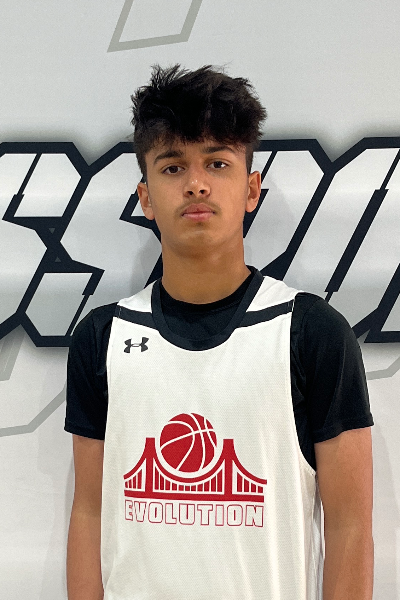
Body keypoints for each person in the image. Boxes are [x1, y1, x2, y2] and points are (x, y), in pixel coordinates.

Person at [65, 64, 374, 600]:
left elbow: (350, 527)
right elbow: (90, 511)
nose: (196, 183)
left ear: (251, 189)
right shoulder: (102, 336)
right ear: (145, 197)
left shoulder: (313, 333)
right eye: (172, 166)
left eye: (217, 162)